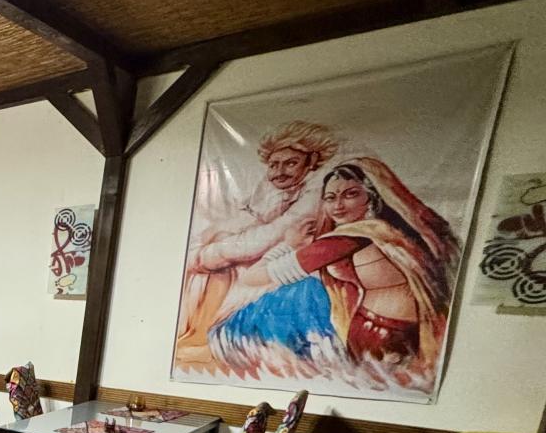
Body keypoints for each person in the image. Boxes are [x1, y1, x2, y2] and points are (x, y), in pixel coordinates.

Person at [229, 157, 458, 381]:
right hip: (394, 329)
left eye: (350, 194)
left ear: (371, 197)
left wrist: (288, 245)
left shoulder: (345, 241)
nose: (338, 205)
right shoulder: (386, 232)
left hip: (381, 333)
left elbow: (251, 278)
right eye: (330, 198)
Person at [176, 121, 339, 365]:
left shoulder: (316, 191)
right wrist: (211, 238)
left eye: (290, 163)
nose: (279, 171)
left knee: (226, 266)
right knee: (217, 252)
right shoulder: (274, 186)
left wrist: (207, 255)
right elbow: (249, 218)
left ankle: (214, 340)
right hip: (276, 254)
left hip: (301, 264)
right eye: (274, 165)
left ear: (311, 161)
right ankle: (202, 334)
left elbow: (266, 238)